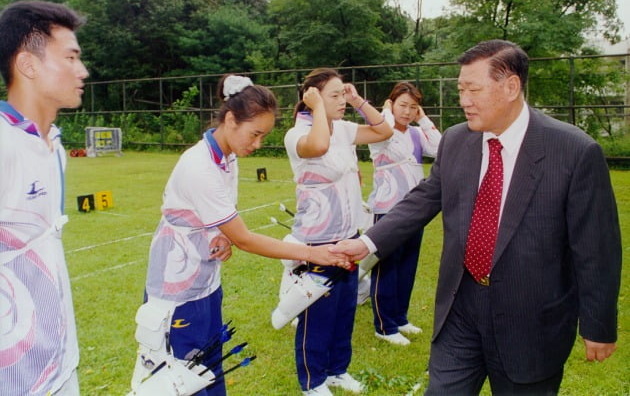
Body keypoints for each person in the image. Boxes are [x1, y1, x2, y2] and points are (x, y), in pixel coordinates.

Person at [331, 40, 621, 395]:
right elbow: (424, 198)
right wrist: (367, 242)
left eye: (473, 90)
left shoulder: (573, 151)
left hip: (530, 321)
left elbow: (596, 247)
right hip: (460, 308)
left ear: (511, 87)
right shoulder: (456, 141)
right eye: (460, 89)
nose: (463, 100)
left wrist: (599, 326)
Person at [131, 74, 348, 396]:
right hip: (176, 288)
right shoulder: (198, 165)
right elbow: (246, 237)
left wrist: (221, 236)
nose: (257, 144)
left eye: (263, 136)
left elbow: (218, 221)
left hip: (205, 281)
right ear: (230, 119)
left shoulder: (227, 158)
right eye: (255, 134)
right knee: (182, 376)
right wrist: (315, 253)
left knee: (209, 367)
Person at [283, 68, 393, 396]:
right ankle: (312, 381)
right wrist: (317, 108)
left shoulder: (344, 129)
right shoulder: (298, 134)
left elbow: (384, 130)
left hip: (349, 235)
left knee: (344, 310)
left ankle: (336, 370)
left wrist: (358, 99)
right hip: (317, 240)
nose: (341, 101)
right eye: (334, 95)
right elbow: (317, 146)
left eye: (342, 94)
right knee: (318, 313)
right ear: (312, 98)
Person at [0, 1, 89, 395]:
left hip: (57, 359)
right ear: (28, 65)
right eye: (70, 57)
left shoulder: (51, 145)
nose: (82, 71)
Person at [366, 82, 441, 346]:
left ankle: (400, 317)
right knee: (387, 269)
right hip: (387, 209)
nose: (407, 112)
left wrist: (422, 119)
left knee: (407, 267)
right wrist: (385, 111)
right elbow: (385, 133)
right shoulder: (379, 131)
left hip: (414, 210)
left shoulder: (415, 134)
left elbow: (440, 148)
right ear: (391, 104)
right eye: (402, 105)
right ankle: (384, 326)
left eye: (413, 107)